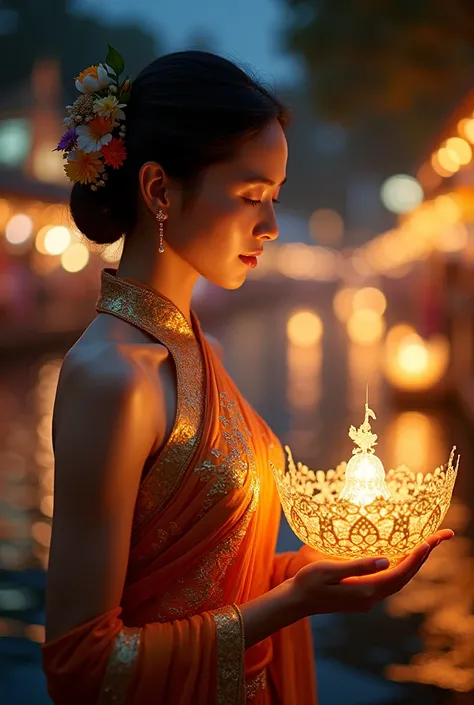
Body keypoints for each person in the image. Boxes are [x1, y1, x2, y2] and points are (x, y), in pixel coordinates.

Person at [41, 48, 453, 705]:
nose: (270, 226)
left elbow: (203, 570)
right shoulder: (113, 378)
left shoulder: (193, 349)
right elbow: (80, 665)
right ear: (158, 190)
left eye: (276, 197)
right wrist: (287, 604)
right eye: (251, 196)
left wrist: (307, 570)